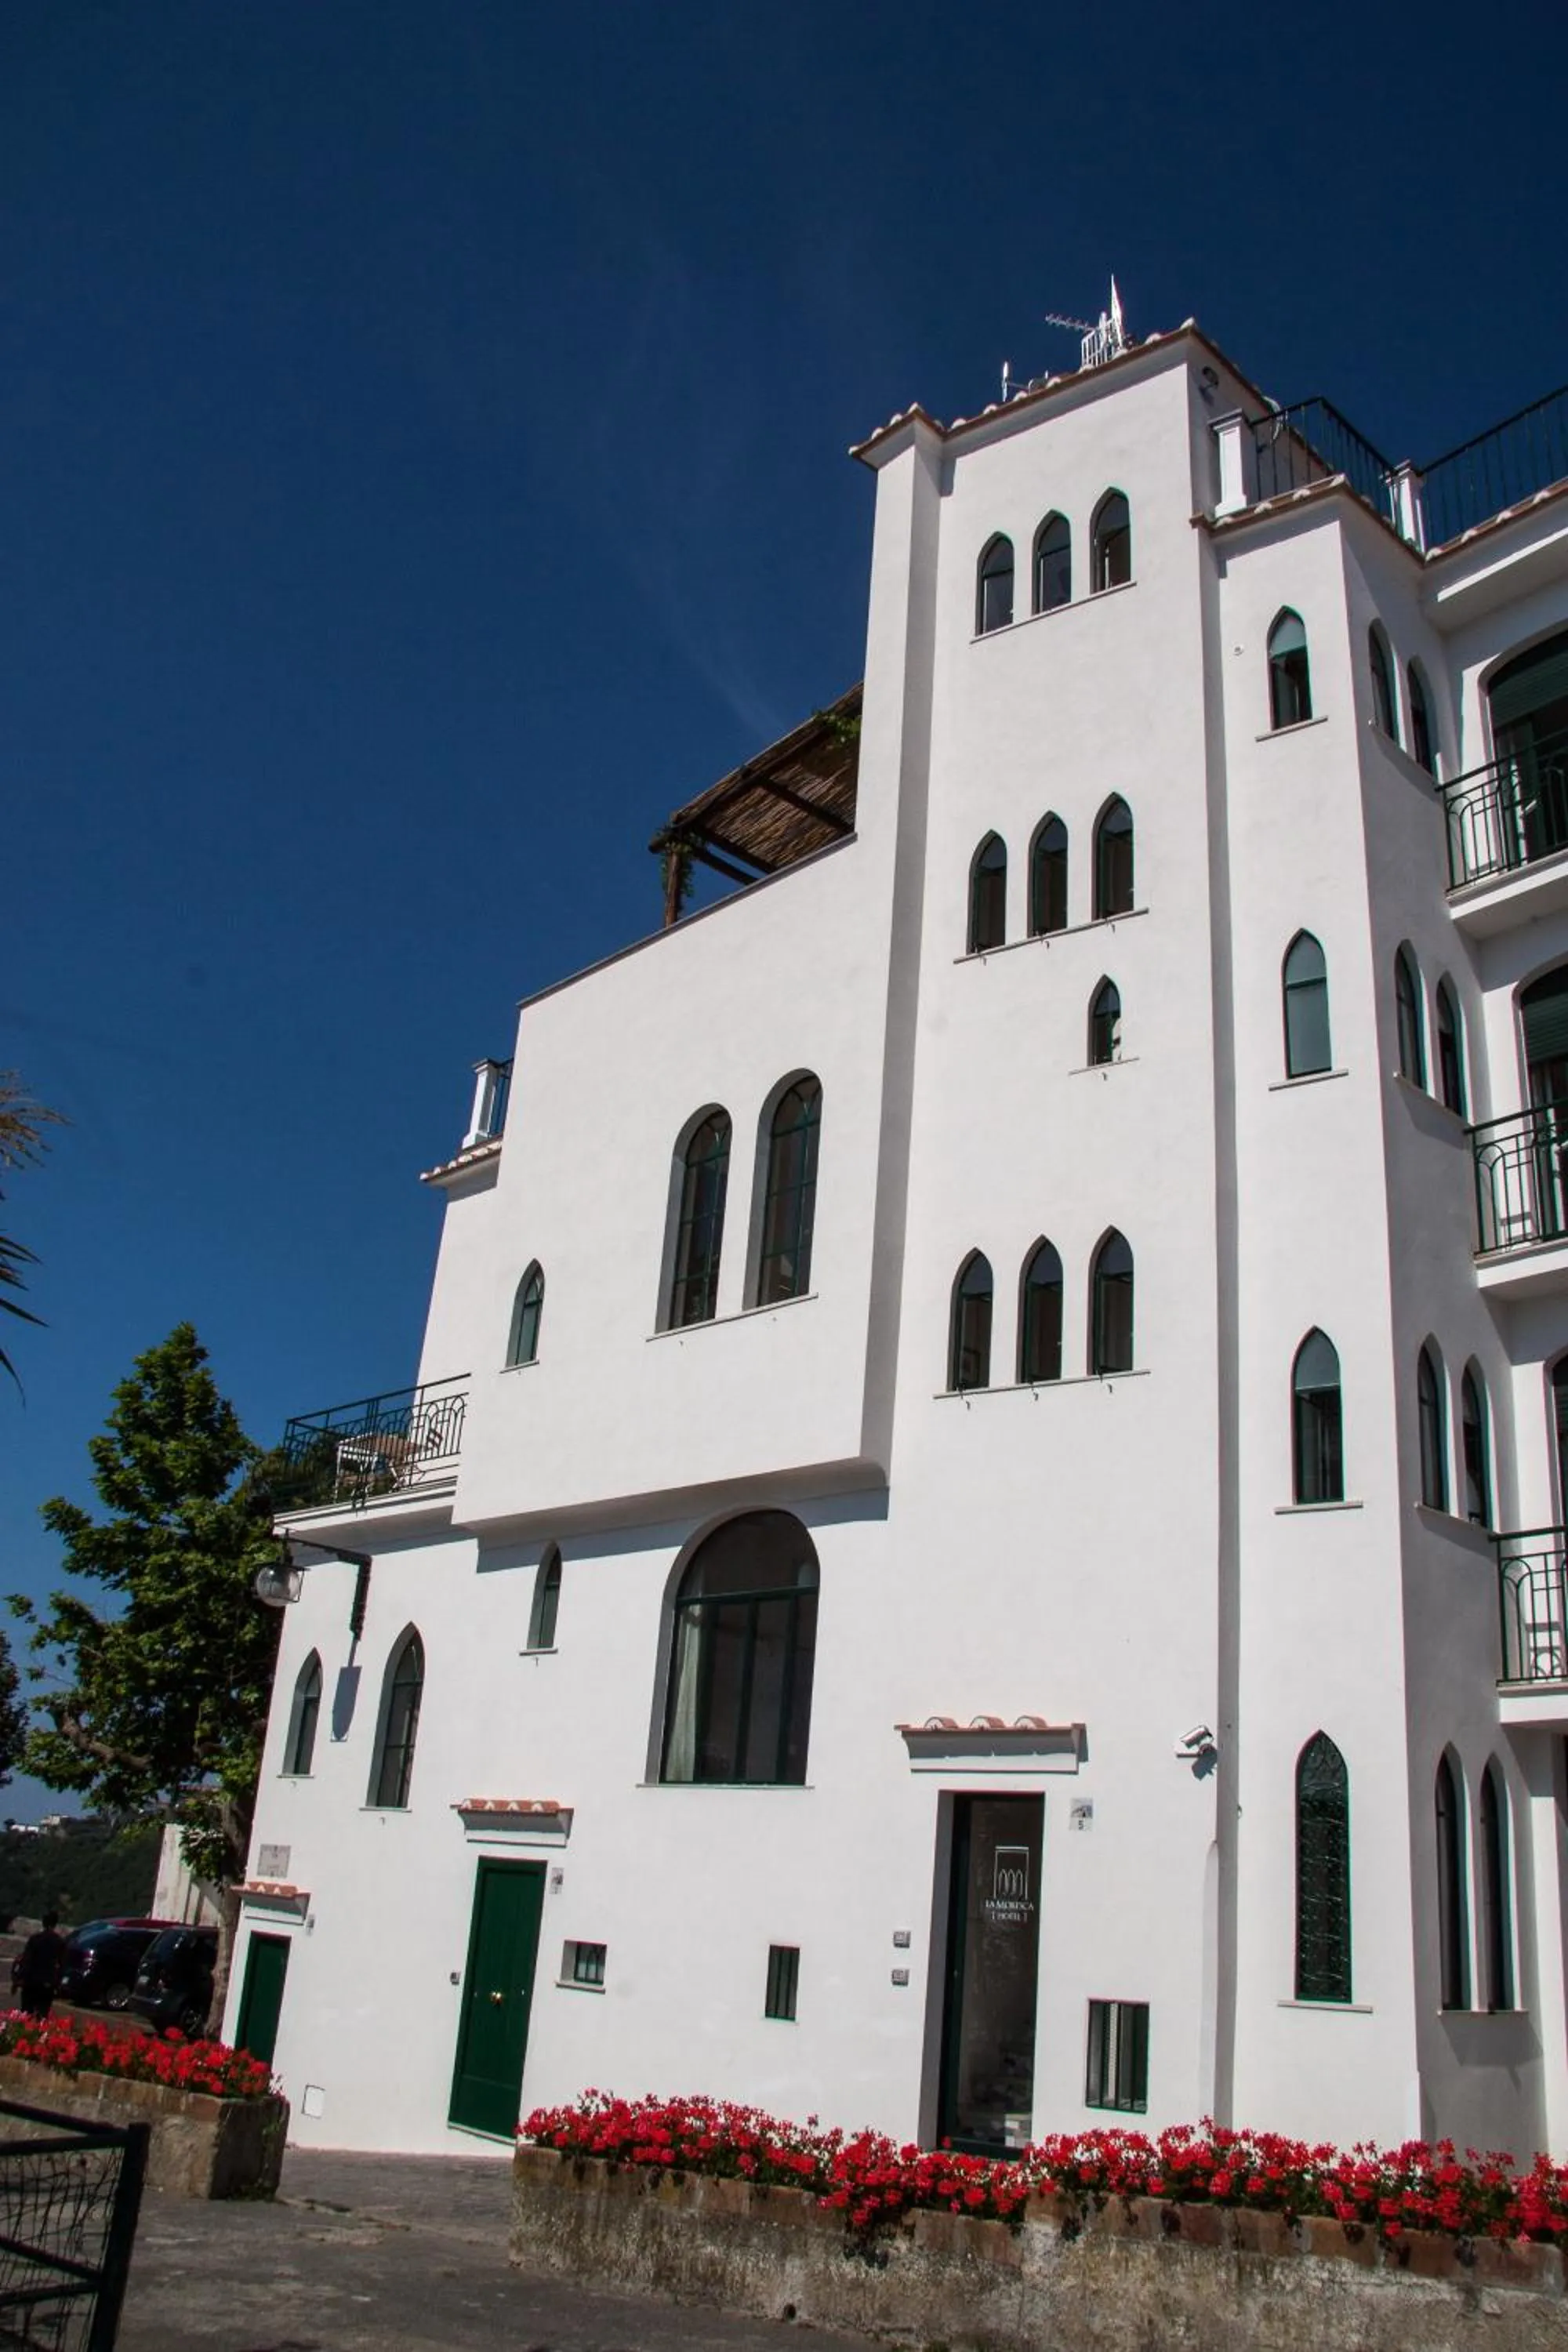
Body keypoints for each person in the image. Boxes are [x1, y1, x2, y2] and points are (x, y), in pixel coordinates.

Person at [16, 1914, 68, 2020]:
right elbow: (62, 1965)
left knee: (26, 2013)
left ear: (43, 1923)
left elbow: (26, 1961)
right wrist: (57, 1984)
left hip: (31, 1981)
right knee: (43, 2014)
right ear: (55, 1924)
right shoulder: (59, 1942)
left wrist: (19, 1978)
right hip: (47, 1983)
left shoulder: (35, 1939)